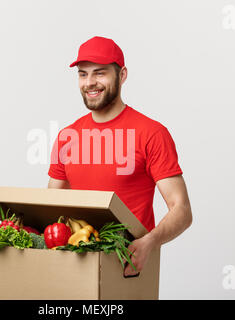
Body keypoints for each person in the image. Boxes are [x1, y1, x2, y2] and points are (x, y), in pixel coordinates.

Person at [47, 36, 192, 277]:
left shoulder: (151, 133)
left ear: (122, 75)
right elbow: (51, 205)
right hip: (73, 267)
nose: (90, 83)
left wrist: (150, 241)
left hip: (127, 265)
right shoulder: (67, 136)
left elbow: (182, 210)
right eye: (83, 74)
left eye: (100, 73)